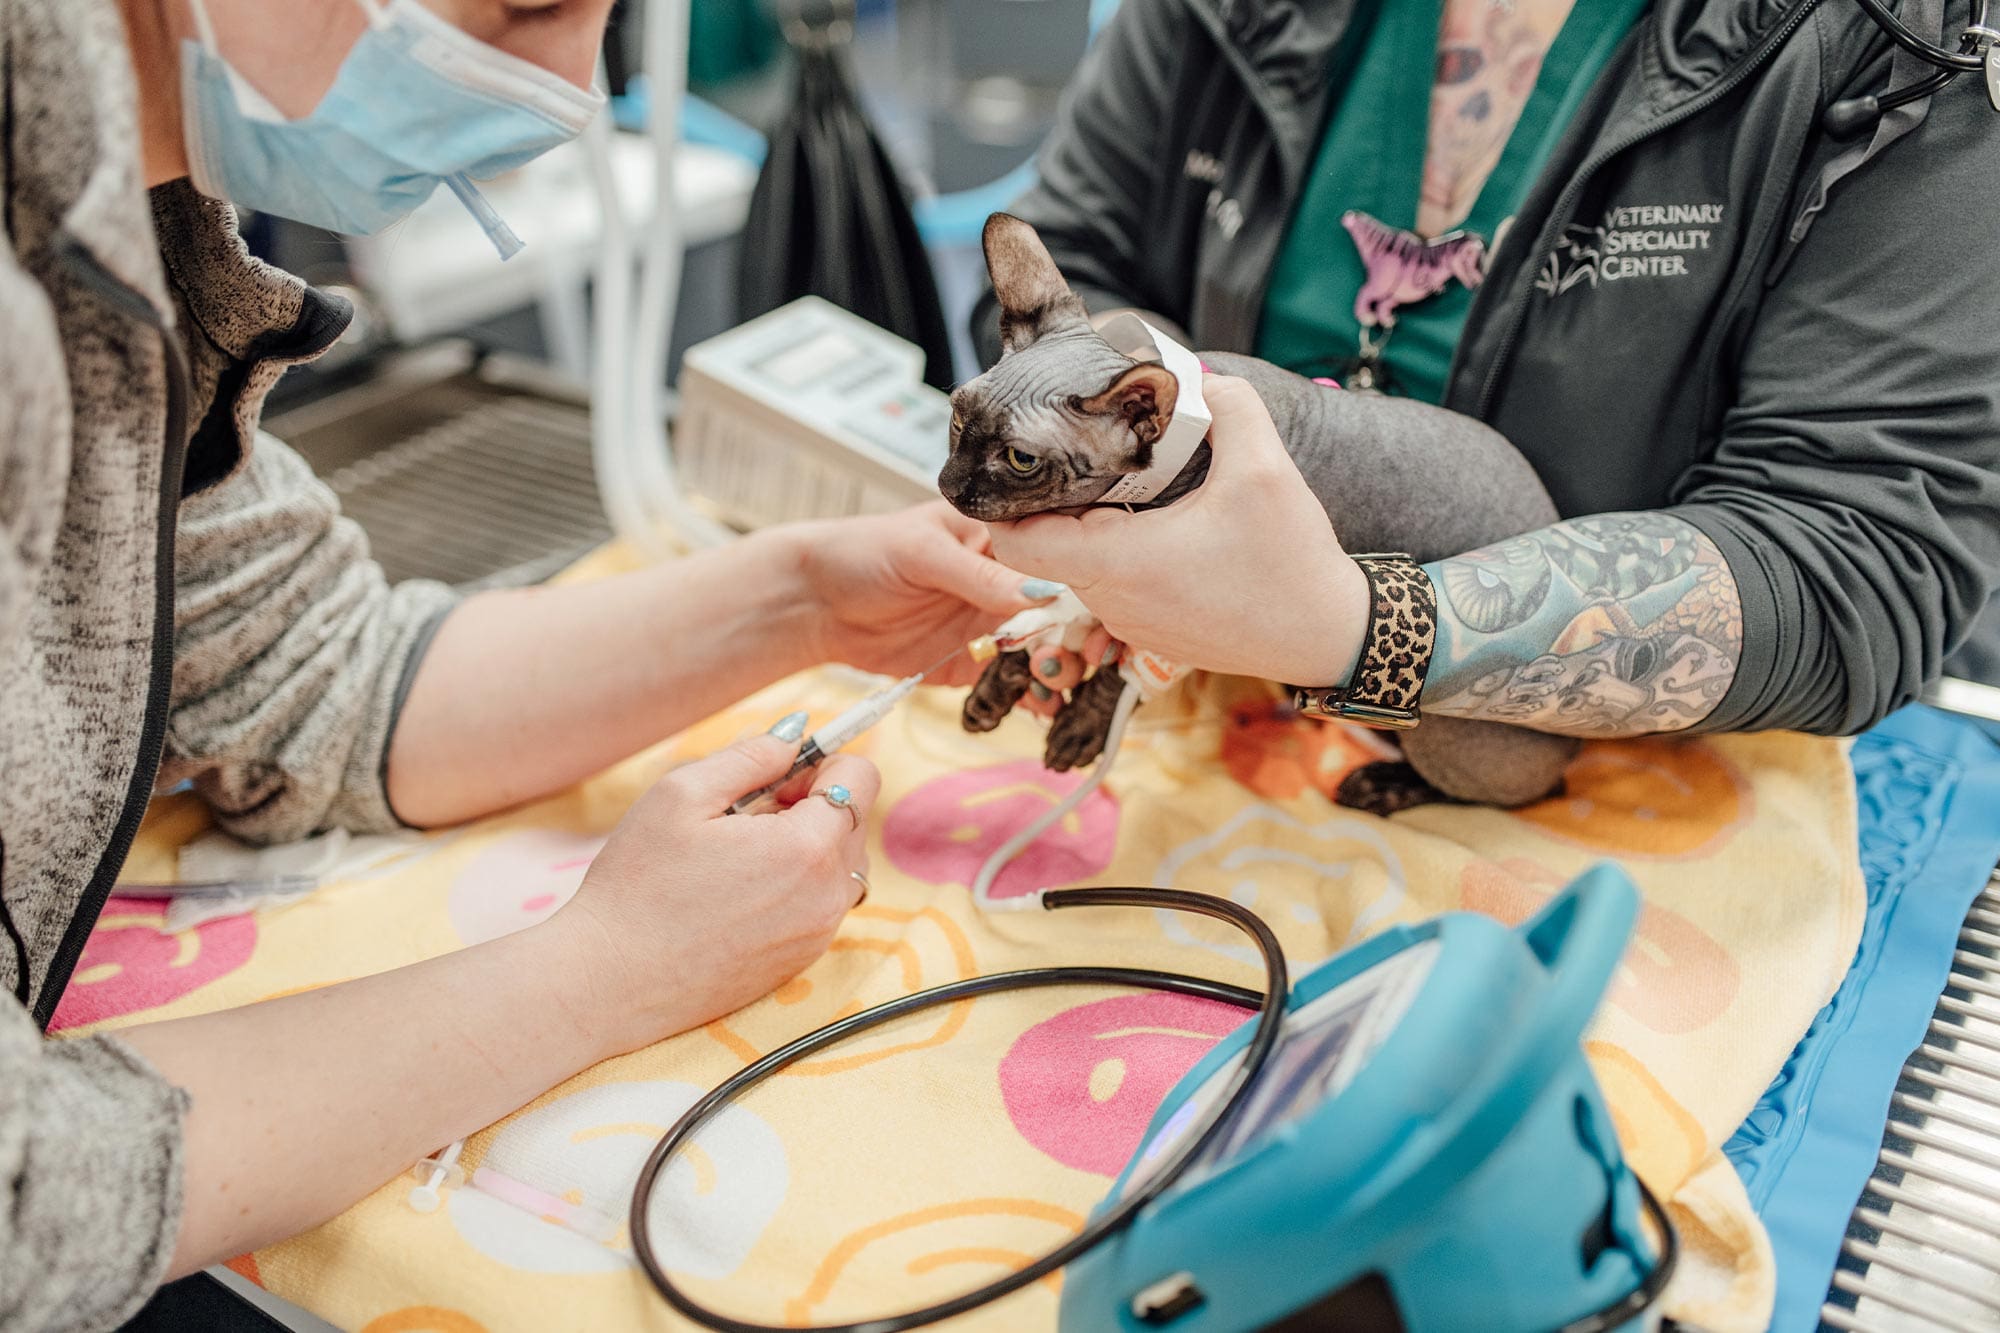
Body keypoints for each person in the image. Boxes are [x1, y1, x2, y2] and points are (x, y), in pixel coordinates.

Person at [0, 2, 1052, 1326]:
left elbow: (313, 675)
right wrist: (600, 970)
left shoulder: (120, 232)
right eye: (526, 9)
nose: (566, 91)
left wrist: (803, 601)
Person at [977, 0, 2000, 748]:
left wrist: (1352, 628)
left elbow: (1854, 561)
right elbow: (1064, 266)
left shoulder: (1904, 42)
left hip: (1653, 784)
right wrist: (1132, 487)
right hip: (1209, 723)